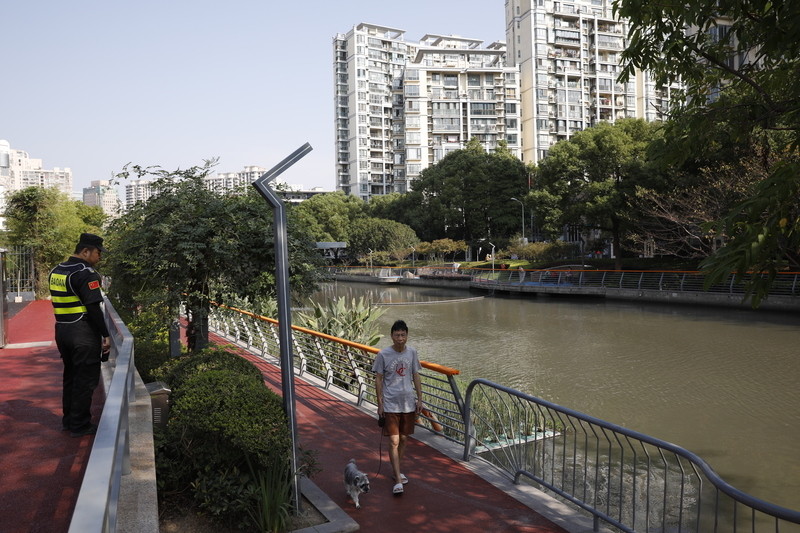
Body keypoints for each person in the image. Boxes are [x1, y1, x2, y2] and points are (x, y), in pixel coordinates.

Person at [49, 233, 111, 437]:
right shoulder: (87, 273)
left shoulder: (58, 270)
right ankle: (80, 425)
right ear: (85, 251)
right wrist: (105, 334)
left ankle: (69, 420)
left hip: (62, 330)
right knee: (85, 379)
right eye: (98, 252)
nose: (100, 257)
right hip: (82, 332)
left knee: (71, 376)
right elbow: (93, 308)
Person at [373, 319, 423, 495]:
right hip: (390, 403)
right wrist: (380, 403)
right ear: (391, 336)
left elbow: (415, 375)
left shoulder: (412, 353)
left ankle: (396, 471)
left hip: (408, 403)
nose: (400, 338)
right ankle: (398, 479)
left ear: (407, 335)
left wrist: (420, 399)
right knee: (393, 440)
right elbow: (378, 379)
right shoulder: (383, 355)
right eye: (397, 335)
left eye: (403, 335)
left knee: (403, 439)